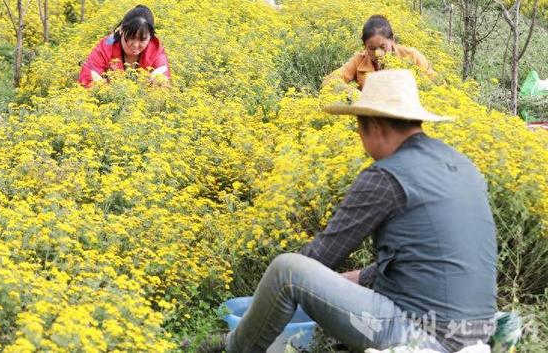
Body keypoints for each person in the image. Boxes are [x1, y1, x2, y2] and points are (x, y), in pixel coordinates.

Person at [199, 69, 497, 353]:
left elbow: (318, 258)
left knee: (285, 271)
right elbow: (422, 263)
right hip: (474, 333)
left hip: (425, 336)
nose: (360, 138)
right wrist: (342, 282)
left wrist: (267, 300)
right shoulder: (460, 164)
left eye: (359, 128)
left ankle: (232, 348)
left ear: (377, 127)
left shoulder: (386, 176)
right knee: (323, 278)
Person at [323, 15, 436, 89]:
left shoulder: (411, 56)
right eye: (371, 48)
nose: (378, 53)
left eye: (383, 47)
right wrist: (352, 94)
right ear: (365, 46)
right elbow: (330, 80)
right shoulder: (359, 60)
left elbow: (436, 84)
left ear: (392, 40)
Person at [79, 5, 170, 88]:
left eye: (142, 39)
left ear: (151, 37)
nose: (135, 45)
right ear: (121, 30)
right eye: (131, 37)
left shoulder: (156, 50)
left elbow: (164, 85)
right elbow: (87, 78)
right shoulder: (107, 45)